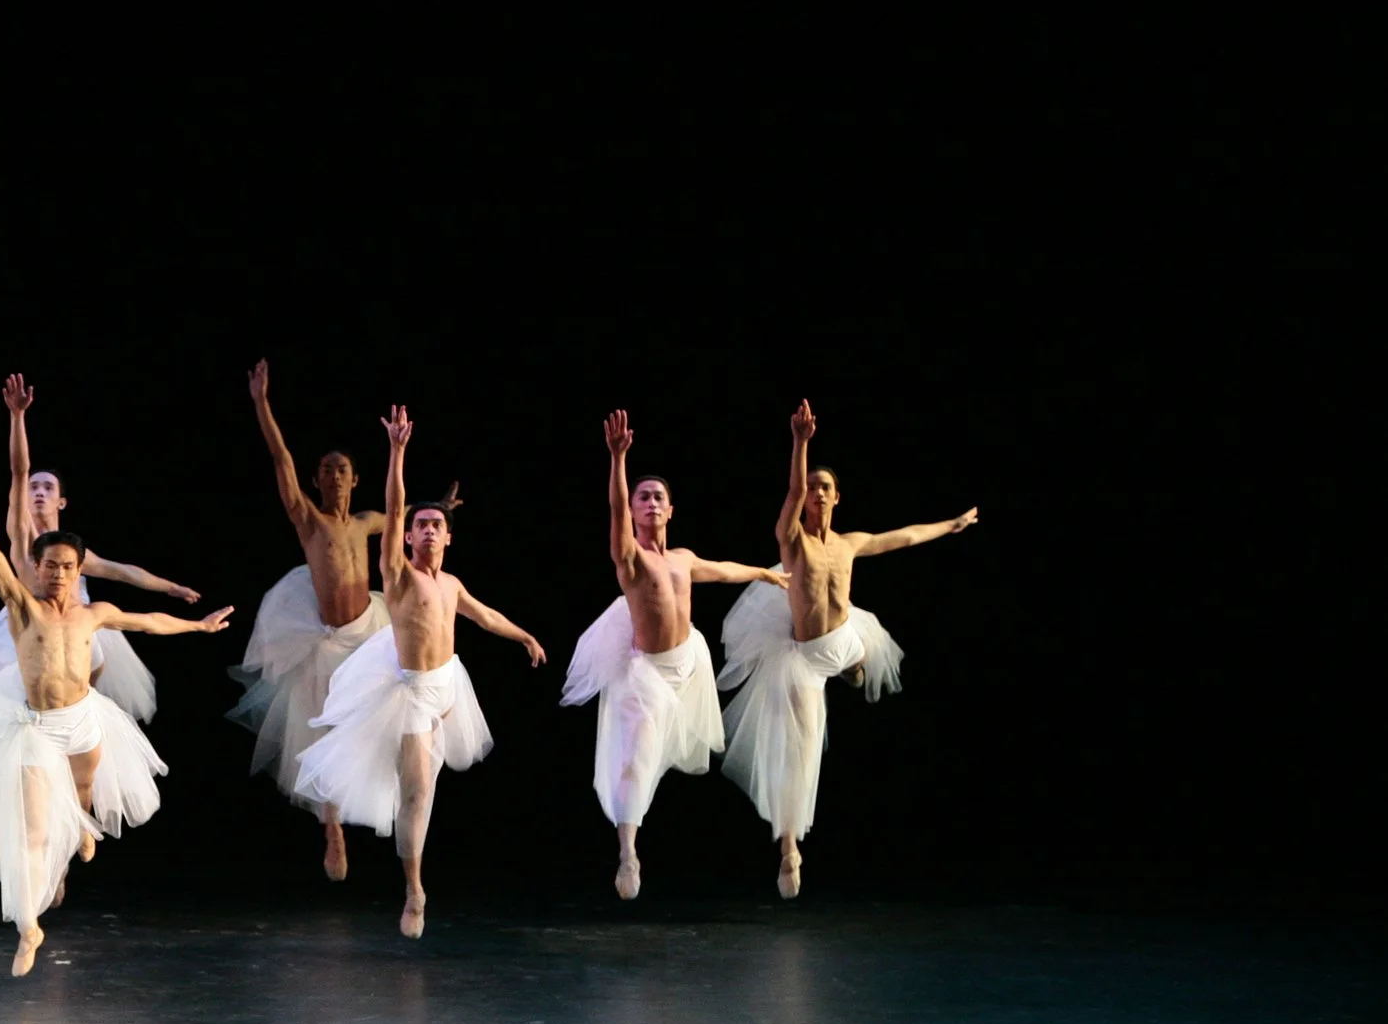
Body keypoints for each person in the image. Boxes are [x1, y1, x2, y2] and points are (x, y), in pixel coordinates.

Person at [0, 450, 232, 977]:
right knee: (34, 829)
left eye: (67, 567)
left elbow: (147, 621)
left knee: (80, 801)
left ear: (78, 572)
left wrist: (198, 627)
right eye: (49, 565)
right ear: (35, 567)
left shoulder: (93, 613)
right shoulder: (22, 607)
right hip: (37, 729)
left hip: (82, 722)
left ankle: (76, 839)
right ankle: (29, 925)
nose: (58, 574)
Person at [293, 407, 545, 938]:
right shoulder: (400, 576)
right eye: (420, 526)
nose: (428, 531)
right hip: (407, 693)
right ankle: (414, 888)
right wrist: (398, 452)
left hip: (446, 686)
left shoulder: (451, 584)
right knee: (414, 796)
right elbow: (393, 504)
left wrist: (523, 634)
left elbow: (484, 615)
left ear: (448, 538)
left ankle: (410, 868)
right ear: (406, 539)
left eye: (437, 526)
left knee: (424, 794)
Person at [717, 399, 978, 898]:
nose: (816, 493)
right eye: (812, 488)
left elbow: (902, 537)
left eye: (824, 488)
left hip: (847, 638)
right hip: (804, 659)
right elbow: (792, 488)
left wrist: (952, 525)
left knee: (862, 653)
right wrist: (800, 441)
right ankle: (789, 849)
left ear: (838, 497)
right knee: (802, 751)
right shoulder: (792, 541)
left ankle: (855, 671)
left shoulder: (849, 543)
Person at [560, 410, 785, 900]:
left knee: (673, 748)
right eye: (644, 498)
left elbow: (722, 569)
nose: (650, 503)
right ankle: (627, 851)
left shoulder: (681, 557)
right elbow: (617, 513)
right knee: (637, 761)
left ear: (671, 509)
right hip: (646, 672)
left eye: (658, 497)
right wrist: (618, 460)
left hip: (689, 662)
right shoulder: (632, 559)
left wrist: (765, 575)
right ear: (636, 512)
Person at [227, 358, 431, 880]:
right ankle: (333, 829)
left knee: (375, 722)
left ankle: (390, 800)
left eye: (342, 470)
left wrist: (442, 507)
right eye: (326, 470)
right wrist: (261, 403)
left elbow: (403, 514)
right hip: (322, 638)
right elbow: (280, 458)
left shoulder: (366, 522)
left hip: (369, 633)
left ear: (354, 479)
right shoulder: (310, 520)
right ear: (317, 480)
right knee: (321, 732)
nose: (334, 476)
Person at [0, 374, 202, 720]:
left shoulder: (73, 553)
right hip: (32, 629)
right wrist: (17, 418)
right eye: (34, 487)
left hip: (78, 628)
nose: (38, 492)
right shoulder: (23, 538)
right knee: (30, 709)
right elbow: (20, 471)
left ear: (62, 502)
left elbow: (122, 571)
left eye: (48, 488)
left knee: (81, 705)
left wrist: (172, 588)